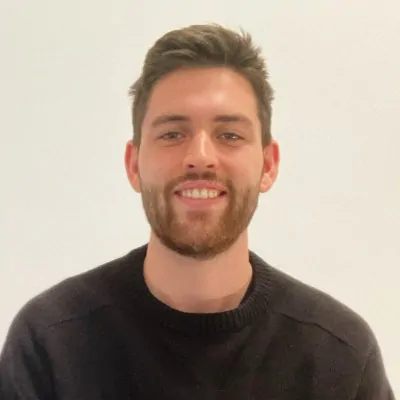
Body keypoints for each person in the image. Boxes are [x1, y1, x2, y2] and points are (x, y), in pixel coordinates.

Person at [0, 24, 395, 400]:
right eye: (172, 134)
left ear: (268, 165)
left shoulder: (339, 357)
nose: (200, 156)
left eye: (230, 135)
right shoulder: (50, 346)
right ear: (134, 164)